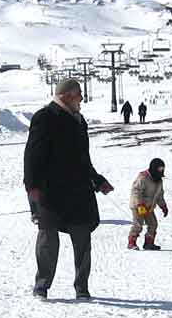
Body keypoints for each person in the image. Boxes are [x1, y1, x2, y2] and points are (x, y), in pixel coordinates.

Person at [23, 78, 113, 301]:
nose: (82, 99)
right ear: (66, 96)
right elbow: (31, 156)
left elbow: (83, 159)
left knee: (83, 239)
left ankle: (82, 288)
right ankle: (41, 286)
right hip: (51, 192)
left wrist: (97, 180)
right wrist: (32, 186)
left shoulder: (79, 121)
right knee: (48, 239)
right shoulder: (45, 117)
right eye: (78, 94)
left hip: (79, 191)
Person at [127, 157, 168, 250]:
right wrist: (139, 204)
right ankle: (131, 242)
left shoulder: (159, 180)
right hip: (138, 206)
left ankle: (149, 243)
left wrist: (163, 206)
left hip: (149, 206)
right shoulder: (143, 177)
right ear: (154, 168)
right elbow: (136, 191)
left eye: (162, 169)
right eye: (159, 169)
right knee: (138, 224)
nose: (161, 172)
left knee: (153, 224)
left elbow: (160, 194)